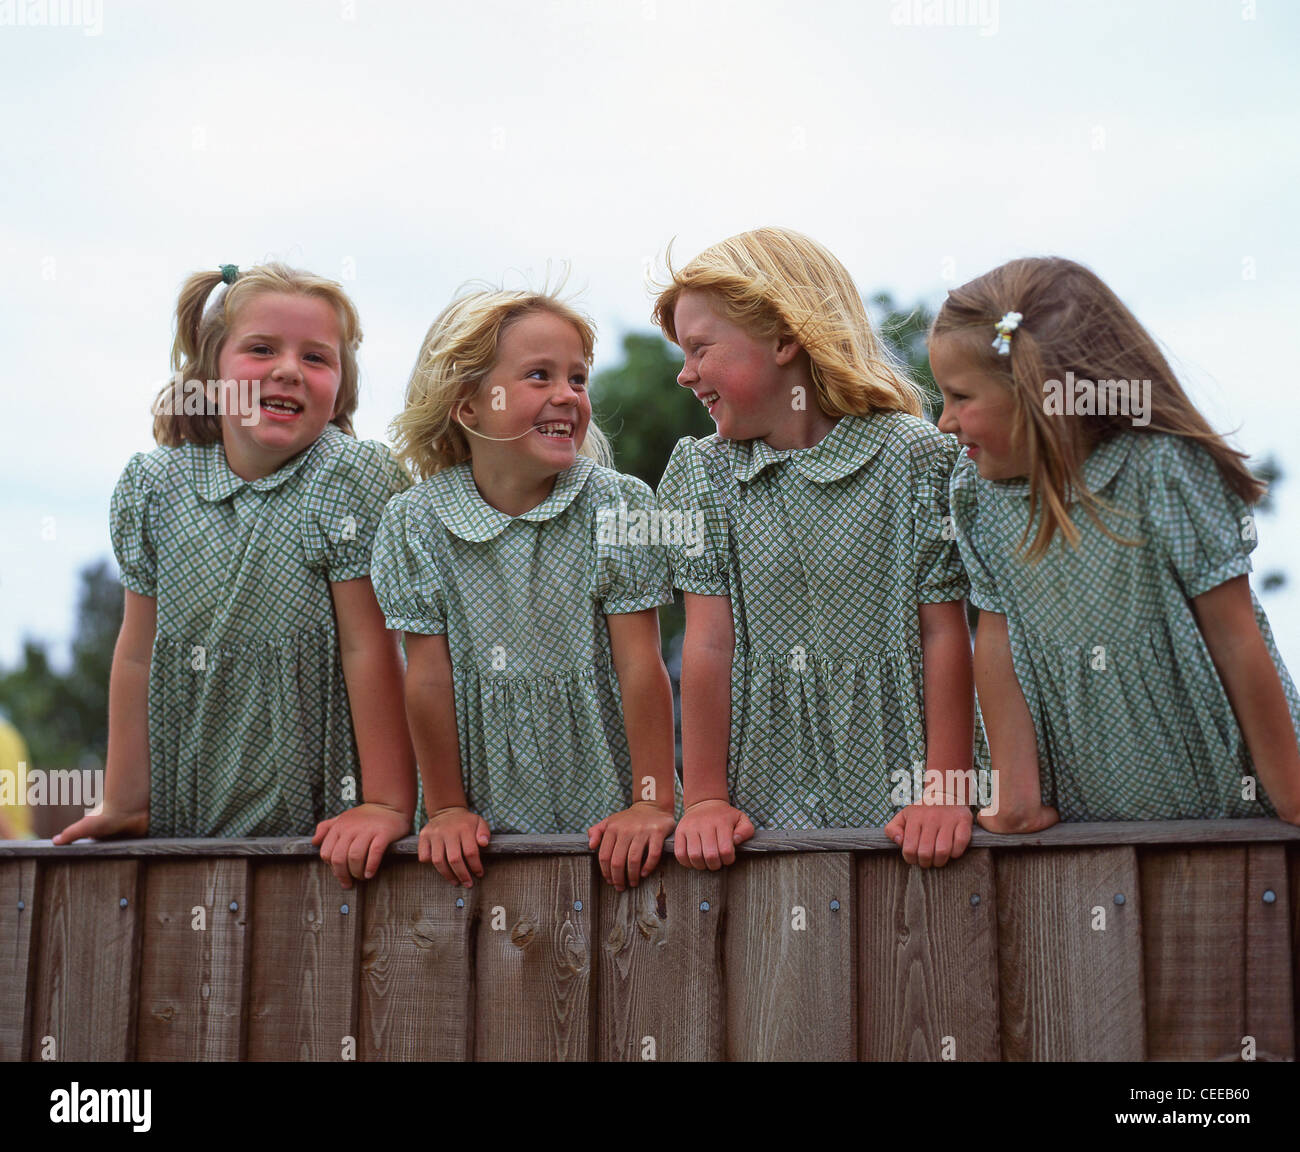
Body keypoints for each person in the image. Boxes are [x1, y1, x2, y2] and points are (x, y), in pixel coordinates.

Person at [54, 262, 417, 889]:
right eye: (261, 349)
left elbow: (368, 645)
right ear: (210, 372)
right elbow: (137, 653)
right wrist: (123, 799)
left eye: (316, 358)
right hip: (186, 817)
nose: (287, 369)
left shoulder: (345, 480)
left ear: (341, 389)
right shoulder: (155, 487)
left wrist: (386, 802)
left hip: (323, 827)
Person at [931, 256, 1300, 829]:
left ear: (1038, 394)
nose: (945, 422)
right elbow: (996, 643)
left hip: (1227, 800)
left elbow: (1235, 640)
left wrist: (1293, 794)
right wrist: (1016, 796)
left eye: (960, 398)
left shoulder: (1160, 471)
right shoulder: (977, 495)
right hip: (1088, 811)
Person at [654, 227, 979, 870]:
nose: (685, 374)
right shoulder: (701, 475)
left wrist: (945, 790)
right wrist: (707, 800)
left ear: (783, 338)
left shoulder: (912, 458)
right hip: (763, 798)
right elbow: (708, 643)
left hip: (908, 790)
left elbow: (944, 633)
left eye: (699, 349)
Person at [372, 287, 677, 891]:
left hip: (612, 819)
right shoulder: (417, 523)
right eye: (539, 376)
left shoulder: (617, 506)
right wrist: (448, 809)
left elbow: (641, 666)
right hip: (481, 832)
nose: (568, 394)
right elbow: (427, 679)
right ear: (468, 407)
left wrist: (651, 803)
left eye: (578, 379)